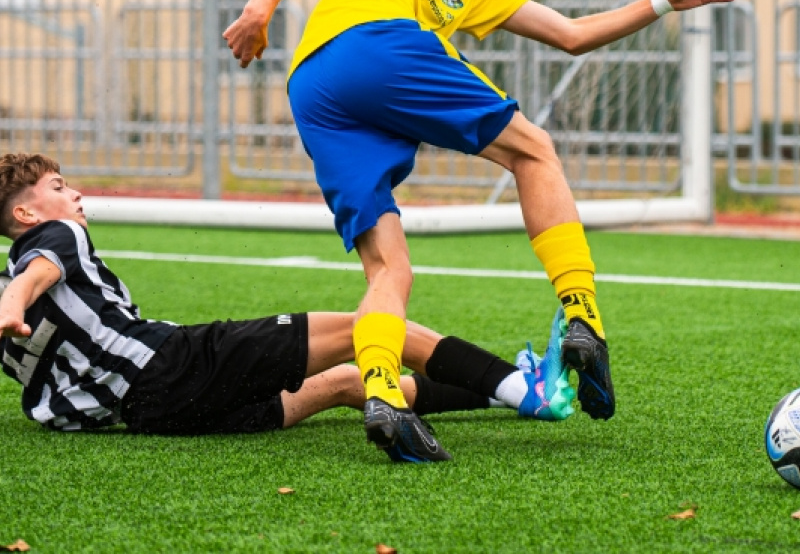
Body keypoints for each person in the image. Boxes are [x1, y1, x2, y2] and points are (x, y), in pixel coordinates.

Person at [223, 0, 743, 459]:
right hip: (367, 47)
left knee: (390, 269)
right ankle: (584, 318)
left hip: (316, 90)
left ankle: (385, 395)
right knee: (534, 151)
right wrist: (260, 8)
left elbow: (571, 35)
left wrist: (664, 2)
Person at [0, 152, 575, 463]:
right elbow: (37, 274)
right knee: (369, 326)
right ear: (26, 216)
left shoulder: (13, 290)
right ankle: (529, 392)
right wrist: (15, 301)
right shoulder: (53, 240)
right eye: (56, 186)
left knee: (349, 382)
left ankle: (498, 389)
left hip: (152, 418)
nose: (72, 194)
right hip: (174, 365)